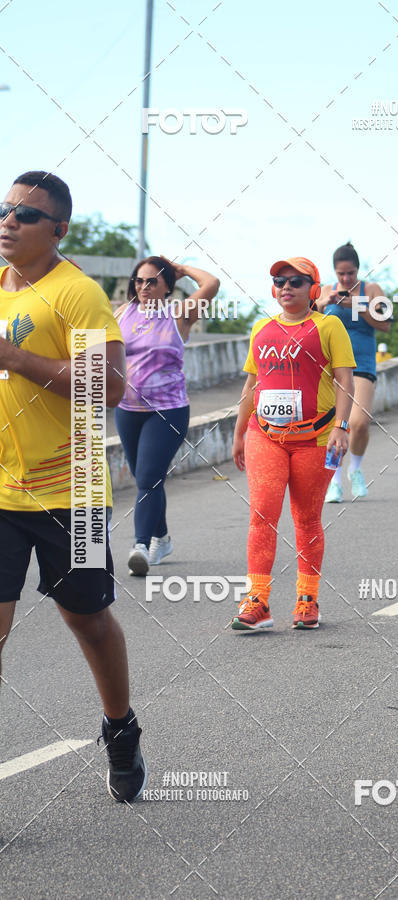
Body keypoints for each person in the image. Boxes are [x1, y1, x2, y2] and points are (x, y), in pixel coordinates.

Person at [0, 171, 145, 802]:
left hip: (73, 494)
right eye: (3, 209)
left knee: (86, 619)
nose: (8, 221)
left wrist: (18, 360)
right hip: (2, 493)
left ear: (57, 230)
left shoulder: (77, 295)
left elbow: (108, 387)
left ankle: (120, 728)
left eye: (24, 215)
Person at [231, 257, 354, 630]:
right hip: (264, 435)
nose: (286, 287)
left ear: (313, 289)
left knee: (306, 519)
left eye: (296, 281)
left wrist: (341, 427)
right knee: (261, 516)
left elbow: (345, 381)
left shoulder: (328, 326)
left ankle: (307, 599)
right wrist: (238, 431)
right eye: (279, 281)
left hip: (315, 440)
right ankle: (258, 601)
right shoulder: (262, 329)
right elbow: (252, 384)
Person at [114, 257, 219, 576]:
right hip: (127, 410)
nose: (144, 287)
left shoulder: (179, 314)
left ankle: (141, 546)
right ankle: (163, 538)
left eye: (152, 282)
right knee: (147, 478)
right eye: (139, 281)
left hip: (168, 410)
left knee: (147, 477)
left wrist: (184, 268)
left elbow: (211, 285)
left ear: (166, 287)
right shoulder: (122, 312)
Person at [315, 242, 390, 502]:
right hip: (332, 366)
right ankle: (334, 480)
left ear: (358, 269)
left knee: (359, 423)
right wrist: (322, 304)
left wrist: (356, 305)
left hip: (363, 362)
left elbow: (385, 325)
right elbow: (309, 322)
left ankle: (355, 470)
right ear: (335, 272)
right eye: (341, 274)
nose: (346, 279)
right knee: (337, 426)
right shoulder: (327, 290)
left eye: (350, 273)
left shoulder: (372, 290)